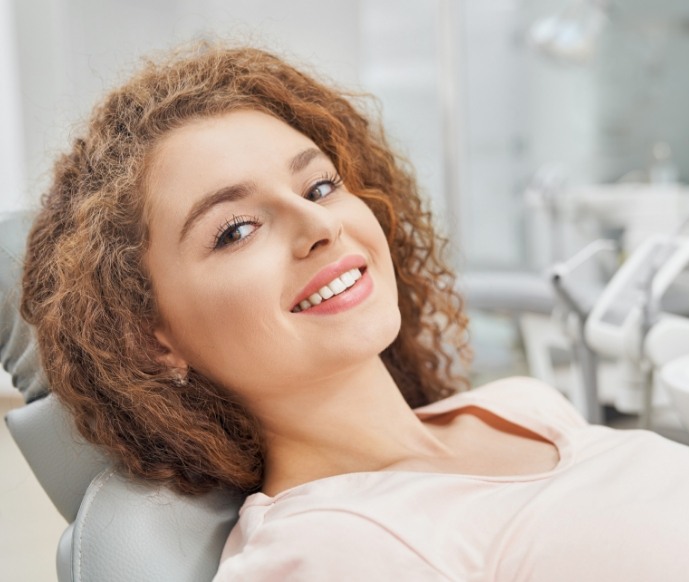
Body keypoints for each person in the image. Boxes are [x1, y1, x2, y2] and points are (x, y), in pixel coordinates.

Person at [20, 42, 689, 581]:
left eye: (318, 184)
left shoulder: (519, 406)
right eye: (236, 229)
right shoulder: (324, 552)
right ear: (152, 339)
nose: (318, 224)